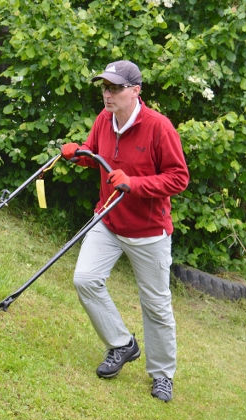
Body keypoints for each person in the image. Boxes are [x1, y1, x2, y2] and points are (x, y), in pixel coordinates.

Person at [60, 60, 189, 402]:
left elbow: (178, 178)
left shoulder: (158, 127)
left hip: (148, 231)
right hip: (108, 220)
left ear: (135, 91)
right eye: (105, 87)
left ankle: (162, 374)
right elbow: (94, 155)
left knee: (156, 305)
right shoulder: (104, 119)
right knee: (85, 279)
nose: (108, 94)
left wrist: (135, 183)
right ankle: (121, 344)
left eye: (116, 88)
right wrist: (77, 153)